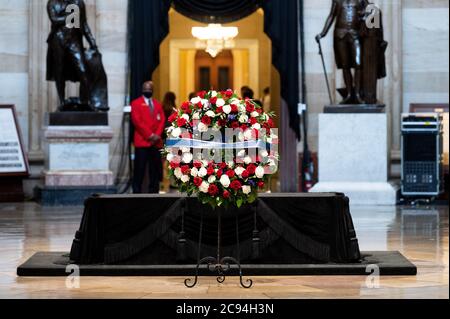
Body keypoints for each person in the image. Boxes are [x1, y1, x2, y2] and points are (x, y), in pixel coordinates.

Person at [316, 0, 369, 104]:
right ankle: (349, 94)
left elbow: (371, 12)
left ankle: (357, 94)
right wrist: (323, 33)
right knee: (345, 65)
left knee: (358, 64)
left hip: (355, 34)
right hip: (340, 34)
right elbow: (331, 16)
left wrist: (364, 16)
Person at [131, 81, 166, 194]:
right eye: (146, 89)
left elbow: (162, 120)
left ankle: (154, 192)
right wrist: (150, 135)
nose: (148, 91)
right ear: (142, 89)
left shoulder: (157, 104)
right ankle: (136, 192)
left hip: (155, 143)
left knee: (154, 170)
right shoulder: (136, 103)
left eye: (150, 89)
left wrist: (157, 135)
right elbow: (137, 122)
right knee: (139, 170)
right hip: (142, 142)